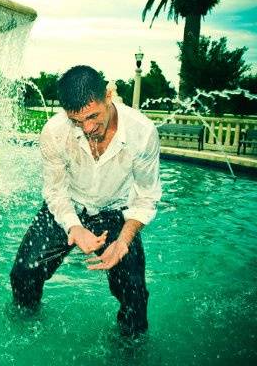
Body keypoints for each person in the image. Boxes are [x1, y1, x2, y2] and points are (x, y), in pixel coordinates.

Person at [9, 65, 161, 337]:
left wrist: (123, 241)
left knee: (134, 293)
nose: (88, 128)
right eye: (77, 121)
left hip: (115, 211)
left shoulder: (143, 132)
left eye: (93, 116)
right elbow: (55, 191)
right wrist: (74, 227)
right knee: (24, 271)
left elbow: (146, 196)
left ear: (109, 95)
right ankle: (24, 325)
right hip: (69, 206)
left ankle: (130, 349)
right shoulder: (53, 132)